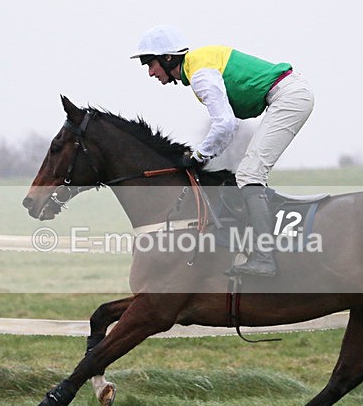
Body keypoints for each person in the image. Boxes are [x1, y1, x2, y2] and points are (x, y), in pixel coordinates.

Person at [131, 25, 314, 277]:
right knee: (249, 174)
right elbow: (228, 126)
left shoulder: (200, 73)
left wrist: (198, 156)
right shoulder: (196, 66)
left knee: (250, 176)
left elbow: (226, 124)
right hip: (287, 95)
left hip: (289, 98)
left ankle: (264, 258)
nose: (151, 72)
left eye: (150, 64)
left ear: (167, 58)